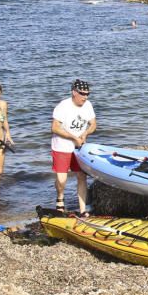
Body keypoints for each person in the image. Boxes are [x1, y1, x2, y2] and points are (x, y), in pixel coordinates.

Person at [51, 79, 97, 216]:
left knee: (82, 176)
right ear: (74, 92)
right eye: (82, 93)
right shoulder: (63, 106)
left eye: (87, 94)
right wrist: (73, 137)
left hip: (79, 148)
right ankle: (60, 199)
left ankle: (83, 209)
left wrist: (85, 133)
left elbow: (93, 124)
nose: (85, 96)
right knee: (62, 179)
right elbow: (54, 127)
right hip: (61, 146)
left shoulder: (88, 105)